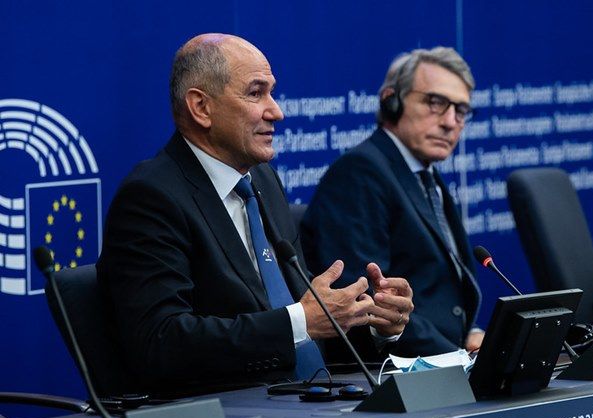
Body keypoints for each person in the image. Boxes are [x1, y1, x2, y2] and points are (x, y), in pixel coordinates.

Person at [96, 33, 413, 395]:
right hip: (228, 409)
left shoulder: (262, 180)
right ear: (201, 107)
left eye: (271, 93)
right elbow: (160, 341)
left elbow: (302, 323)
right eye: (256, 93)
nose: (276, 111)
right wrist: (301, 321)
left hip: (308, 400)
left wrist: (374, 322)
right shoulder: (152, 197)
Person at [302, 47, 482, 357]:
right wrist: (456, 358)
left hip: (440, 356)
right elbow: (366, 299)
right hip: (392, 368)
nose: (450, 122)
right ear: (391, 101)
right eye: (436, 103)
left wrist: (469, 338)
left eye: (461, 110)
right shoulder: (360, 173)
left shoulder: (423, 174)